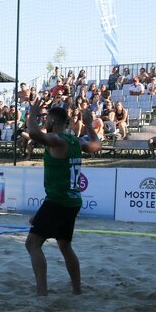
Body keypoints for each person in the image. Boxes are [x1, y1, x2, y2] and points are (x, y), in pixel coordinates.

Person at [24, 107, 100, 296]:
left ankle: (42, 292)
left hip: (58, 200)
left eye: (47, 119)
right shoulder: (75, 140)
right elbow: (96, 145)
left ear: (53, 121)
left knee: (32, 244)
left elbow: (33, 133)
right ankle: (77, 290)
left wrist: (32, 114)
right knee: (65, 246)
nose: (45, 122)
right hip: (72, 200)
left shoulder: (57, 140)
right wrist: (89, 125)